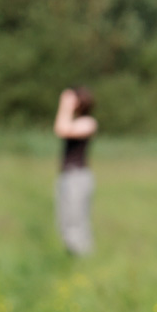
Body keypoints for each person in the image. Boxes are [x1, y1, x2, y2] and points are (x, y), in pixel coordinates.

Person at [53, 87, 98, 255]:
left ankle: (83, 255)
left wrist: (65, 106)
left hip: (77, 177)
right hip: (67, 176)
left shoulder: (89, 122)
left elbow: (61, 129)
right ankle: (74, 255)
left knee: (76, 220)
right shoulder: (77, 121)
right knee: (65, 221)